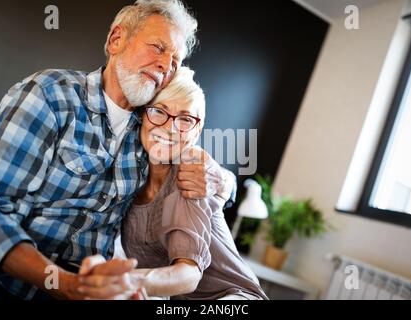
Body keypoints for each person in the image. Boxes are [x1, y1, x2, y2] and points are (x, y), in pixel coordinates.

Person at [0, 0, 235, 300]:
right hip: (3, 282)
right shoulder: (50, 95)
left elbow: (200, 168)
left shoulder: (152, 129)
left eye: (176, 61)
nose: (166, 65)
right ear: (116, 40)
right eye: (158, 47)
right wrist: (64, 284)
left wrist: (222, 180)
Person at [77, 67, 268, 300]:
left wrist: (128, 282)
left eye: (186, 119)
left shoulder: (191, 173)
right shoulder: (128, 177)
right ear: (142, 116)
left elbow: (188, 275)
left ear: (197, 130)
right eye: (159, 111)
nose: (170, 128)